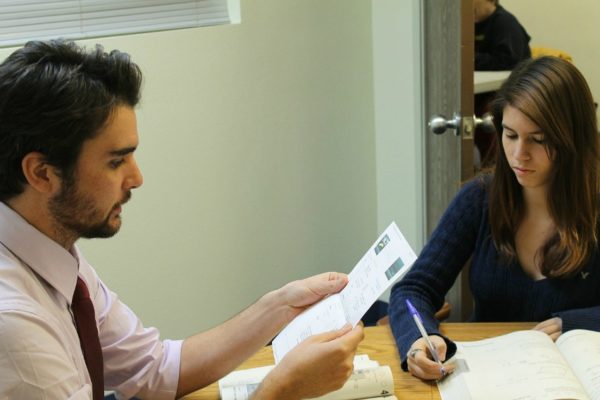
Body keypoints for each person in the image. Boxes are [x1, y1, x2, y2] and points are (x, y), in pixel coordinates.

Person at [0, 39, 364, 399]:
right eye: (116, 162)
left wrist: (282, 306)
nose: (137, 178)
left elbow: (153, 368)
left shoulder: (50, 252)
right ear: (42, 173)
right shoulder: (13, 324)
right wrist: (284, 389)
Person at [389, 56, 600, 381]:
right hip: (484, 375)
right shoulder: (479, 199)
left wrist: (573, 322)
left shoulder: (594, 207)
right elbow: (413, 291)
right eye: (510, 134)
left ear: (573, 138)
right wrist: (418, 339)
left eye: (539, 139)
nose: (519, 154)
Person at [474, 0, 531, 71]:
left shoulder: (505, 22)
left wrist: (469, 59)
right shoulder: (468, 24)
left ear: (492, 1)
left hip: (513, 79)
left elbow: (507, 62)